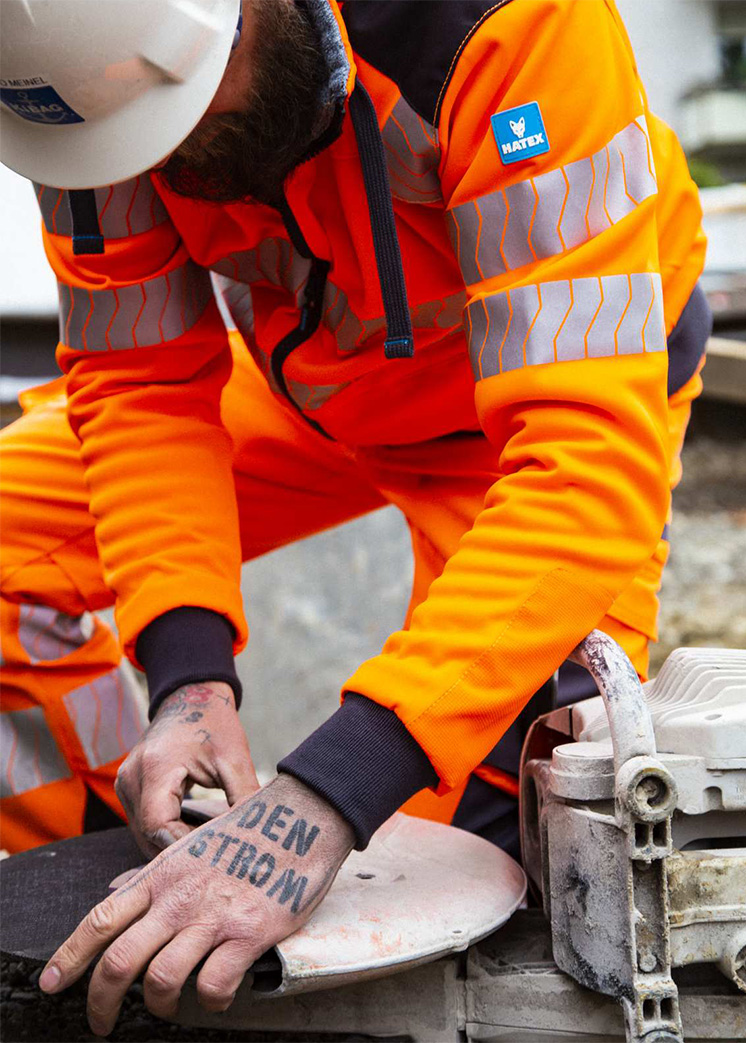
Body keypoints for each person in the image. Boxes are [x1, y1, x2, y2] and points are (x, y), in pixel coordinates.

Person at [0, 0, 710, 1033]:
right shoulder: (80, 99)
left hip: (538, 413)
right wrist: (186, 678)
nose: (168, 156)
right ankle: (137, 894)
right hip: (315, 385)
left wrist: (330, 794)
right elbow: (139, 379)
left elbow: (582, 464)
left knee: (492, 848)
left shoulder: (504, 28)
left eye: (185, 106)